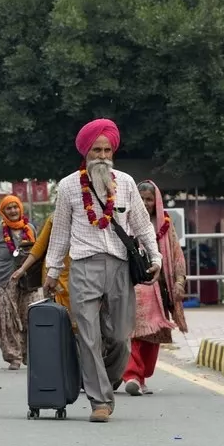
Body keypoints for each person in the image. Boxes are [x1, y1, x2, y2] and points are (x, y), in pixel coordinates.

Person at [43, 118, 160, 423]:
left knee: (121, 337)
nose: (102, 156)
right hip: (83, 266)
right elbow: (60, 233)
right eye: (96, 150)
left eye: (107, 150)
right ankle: (99, 400)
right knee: (89, 335)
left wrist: (156, 257)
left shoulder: (126, 183)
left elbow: (141, 224)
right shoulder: (68, 186)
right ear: (85, 152)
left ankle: (104, 379)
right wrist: (53, 270)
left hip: (120, 266)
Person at [123, 181, 188, 396]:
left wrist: (179, 282)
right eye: (140, 199)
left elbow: (177, 255)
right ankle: (132, 375)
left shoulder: (165, 225)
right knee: (131, 333)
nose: (145, 203)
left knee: (153, 336)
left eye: (149, 199)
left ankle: (142, 376)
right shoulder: (124, 222)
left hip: (158, 290)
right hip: (132, 286)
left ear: (156, 201)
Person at [0, 194, 35, 370]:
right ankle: (14, 356)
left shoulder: (30, 229)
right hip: (4, 281)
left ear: (21, 208)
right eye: (8, 208)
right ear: (3, 212)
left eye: (15, 207)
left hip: (28, 282)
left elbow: (38, 254)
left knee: (29, 318)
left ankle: (28, 354)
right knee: (7, 321)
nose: (13, 211)